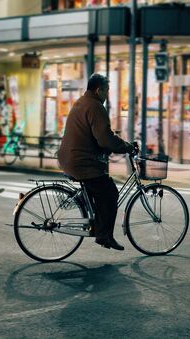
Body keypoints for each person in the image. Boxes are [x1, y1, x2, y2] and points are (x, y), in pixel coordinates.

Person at [57, 74, 134, 251]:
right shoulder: (95, 106)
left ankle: (96, 224)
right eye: (106, 91)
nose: (107, 95)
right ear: (99, 90)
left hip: (70, 158)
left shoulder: (82, 102)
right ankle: (104, 235)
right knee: (110, 192)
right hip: (82, 162)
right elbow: (105, 139)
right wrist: (127, 147)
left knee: (99, 190)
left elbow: (97, 136)